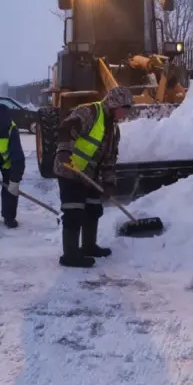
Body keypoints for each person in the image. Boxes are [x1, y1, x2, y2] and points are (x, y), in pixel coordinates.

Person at [54, 86, 133, 268]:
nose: (126, 113)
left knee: (93, 208)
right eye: (125, 108)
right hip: (70, 168)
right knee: (74, 210)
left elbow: (109, 160)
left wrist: (108, 183)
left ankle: (88, 246)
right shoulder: (90, 112)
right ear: (114, 104)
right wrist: (65, 150)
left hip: (89, 175)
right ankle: (71, 255)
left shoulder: (114, 130)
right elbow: (66, 128)